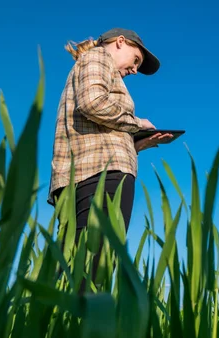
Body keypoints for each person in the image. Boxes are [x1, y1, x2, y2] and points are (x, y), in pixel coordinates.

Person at [47, 27, 172, 290]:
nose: (135, 70)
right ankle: (84, 326)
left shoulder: (91, 63)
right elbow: (92, 103)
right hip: (101, 175)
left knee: (72, 262)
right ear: (119, 42)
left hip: (85, 173)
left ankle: (58, 324)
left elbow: (96, 132)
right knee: (96, 265)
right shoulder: (98, 58)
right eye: (135, 60)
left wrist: (138, 144)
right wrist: (136, 123)